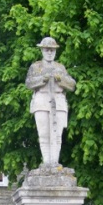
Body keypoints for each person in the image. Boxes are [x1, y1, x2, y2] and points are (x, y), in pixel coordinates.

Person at [25, 37, 76, 166]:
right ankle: (47, 162)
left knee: (57, 135)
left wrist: (61, 80)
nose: (49, 53)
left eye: (52, 50)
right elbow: (29, 83)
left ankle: (55, 162)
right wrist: (43, 78)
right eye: (47, 50)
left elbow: (72, 85)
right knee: (43, 134)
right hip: (42, 100)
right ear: (42, 50)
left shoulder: (60, 67)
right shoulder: (36, 67)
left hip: (58, 101)